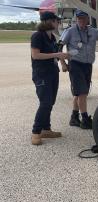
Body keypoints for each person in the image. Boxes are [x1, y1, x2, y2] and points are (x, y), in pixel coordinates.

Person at [60, 10, 98, 129]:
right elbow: (59, 46)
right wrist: (62, 63)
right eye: (79, 18)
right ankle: (85, 119)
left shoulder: (92, 31)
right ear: (76, 19)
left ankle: (74, 118)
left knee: (79, 93)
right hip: (75, 64)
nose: (81, 20)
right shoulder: (70, 31)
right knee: (82, 92)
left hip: (87, 65)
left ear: (88, 19)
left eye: (83, 18)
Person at [30, 12, 69, 145]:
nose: (58, 23)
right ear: (48, 22)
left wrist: (63, 62)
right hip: (42, 74)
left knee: (50, 102)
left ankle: (46, 129)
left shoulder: (51, 37)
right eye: (56, 21)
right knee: (45, 103)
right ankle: (36, 132)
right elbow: (35, 55)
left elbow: (54, 54)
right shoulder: (37, 36)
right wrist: (58, 54)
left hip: (53, 72)